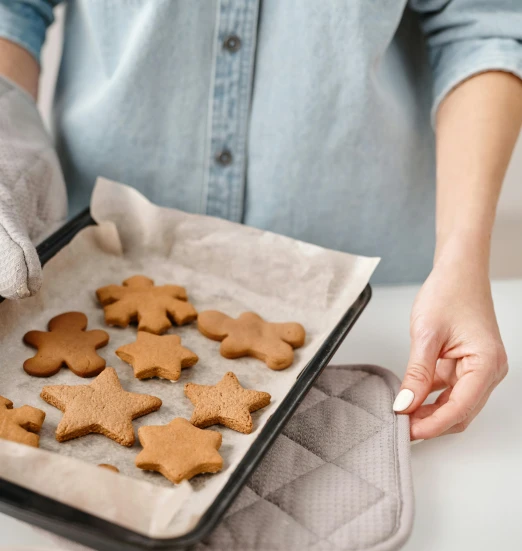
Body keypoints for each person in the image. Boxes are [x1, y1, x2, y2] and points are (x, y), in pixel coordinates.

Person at [0, 2, 521, 440]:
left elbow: (484, 26)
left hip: (369, 307)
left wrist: (462, 256)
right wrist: (7, 172)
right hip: (93, 264)